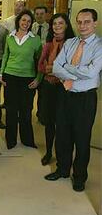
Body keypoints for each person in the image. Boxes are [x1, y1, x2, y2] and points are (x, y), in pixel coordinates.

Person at [45, 8, 102, 192]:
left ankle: (79, 177)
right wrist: (76, 70)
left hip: (85, 99)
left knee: (82, 138)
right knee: (62, 135)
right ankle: (62, 170)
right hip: (65, 94)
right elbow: (55, 68)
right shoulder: (70, 42)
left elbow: (92, 72)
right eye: (79, 22)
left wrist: (68, 68)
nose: (82, 25)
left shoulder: (99, 46)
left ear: (95, 23)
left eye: (87, 22)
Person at [0, 10, 42, 150]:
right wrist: (1, 74)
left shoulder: (35, 39)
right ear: (18, 21)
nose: (26, 23)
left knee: (26, 110)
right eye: (23, 20)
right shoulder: (10, 37)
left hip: (28, 79)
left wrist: (38, 79)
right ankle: (10, 140)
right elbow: (6, 56)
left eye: (29, 21)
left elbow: (40, 62)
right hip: (10, 76)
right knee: (11, 110)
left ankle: (27, 140)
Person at [37, 13, 75, 166]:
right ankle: (48, 152)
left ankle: (62, 156)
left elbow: (72, 69)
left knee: (63, 123)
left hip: (64, 88)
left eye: (60, 23)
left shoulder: (72, 44)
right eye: (54, 24)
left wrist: (53, 69)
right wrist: (56, 69)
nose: (57, 26)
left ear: (66, 25)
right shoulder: (48, 44)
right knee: (49, 122)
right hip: (49, 87)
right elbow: (40, 66)